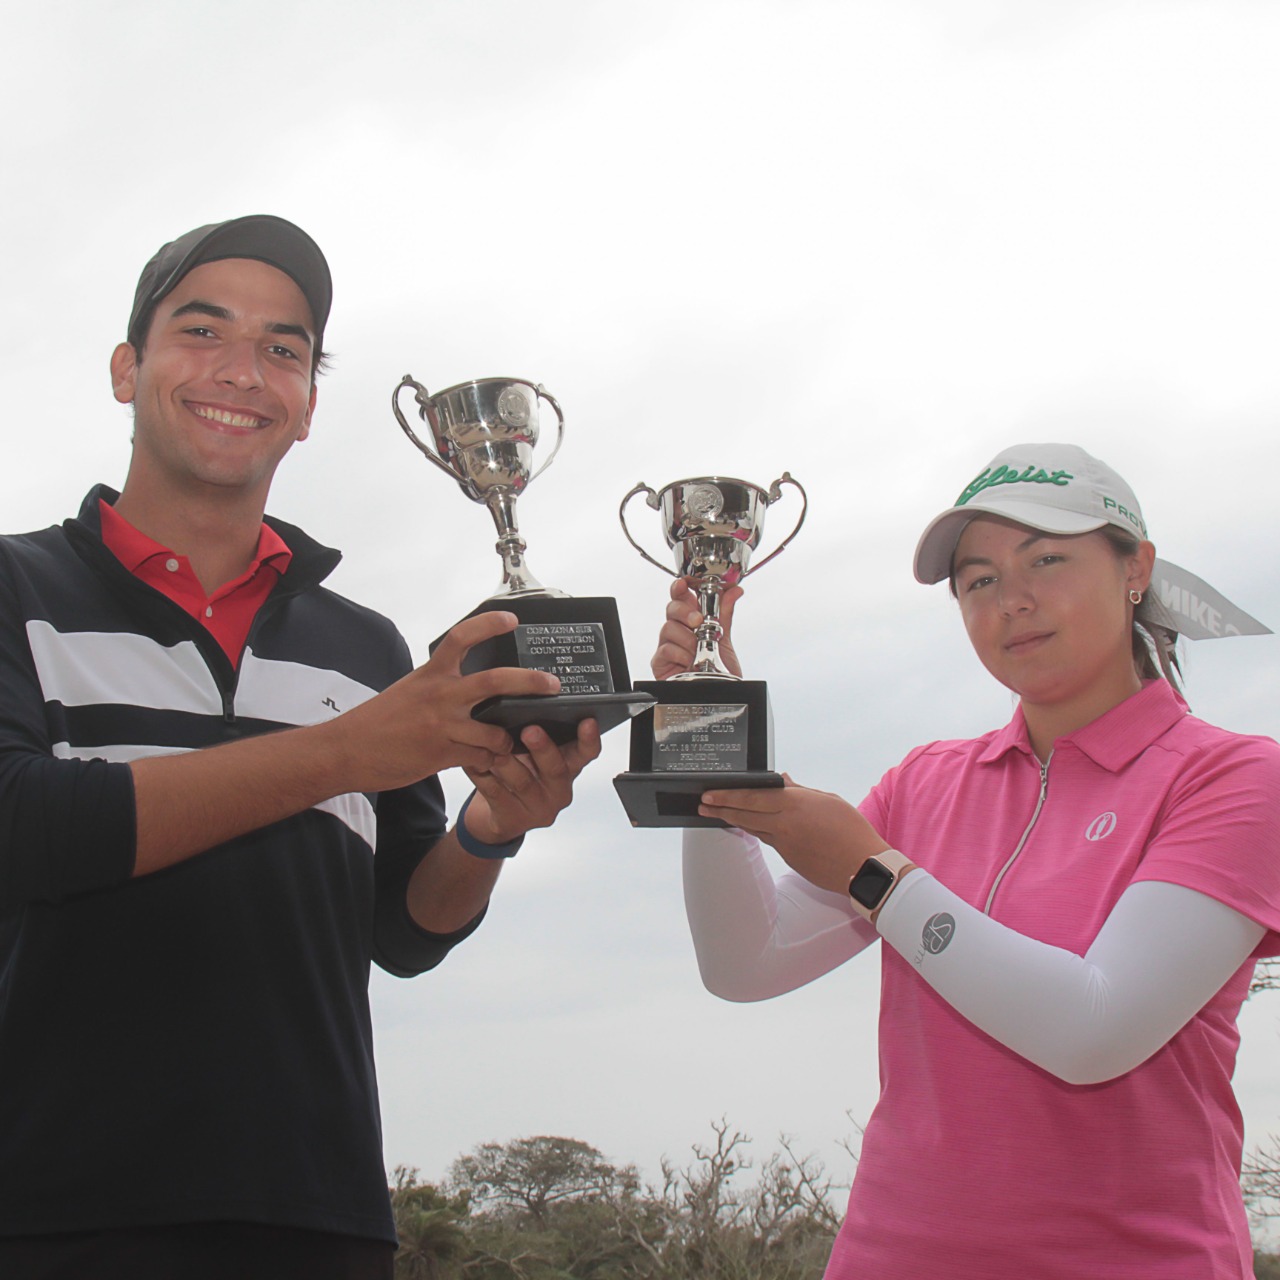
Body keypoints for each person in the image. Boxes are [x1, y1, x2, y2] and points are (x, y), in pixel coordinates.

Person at [0, 215, 601, 1280]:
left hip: (319, 1216)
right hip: (51, 1211)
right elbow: (26, 829)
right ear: (125, 368)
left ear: (309, 406)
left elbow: (405, 925)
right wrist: (342, 752)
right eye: (202, 330)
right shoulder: (15, 591)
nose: (243, 371)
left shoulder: (361, 645)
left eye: (284, 348)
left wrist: (491, 824)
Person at [654, 444, 1280, 1279]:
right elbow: (744, 964)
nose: (1012, 601)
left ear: (1138, 569)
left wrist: (872, 872)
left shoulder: (1235, 777)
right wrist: (709, 746)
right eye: (978, 580)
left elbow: (1094, 1031)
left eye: (1047, 559)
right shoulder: (926, 782)